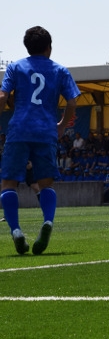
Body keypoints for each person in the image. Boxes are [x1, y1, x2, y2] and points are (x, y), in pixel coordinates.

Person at [0, 26, 81, 255]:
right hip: (46, 131)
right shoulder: (59, 70)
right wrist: (62, 125)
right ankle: (47, 222)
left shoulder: (15, 67)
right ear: (49, 47)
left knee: (8, 185)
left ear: (27, 47)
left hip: (19, 130)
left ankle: (16, 230)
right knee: (45, 184)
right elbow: (73, 102)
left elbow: (3, 96)